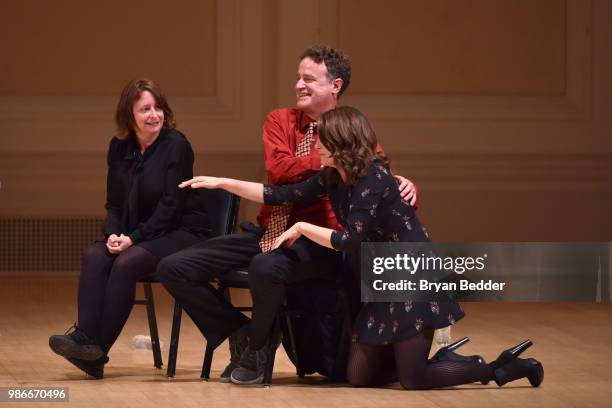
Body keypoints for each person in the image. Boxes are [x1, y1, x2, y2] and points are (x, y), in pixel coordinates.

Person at [179, 106, 545, 390]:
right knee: (359, 376)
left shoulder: (374, 178)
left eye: (322, 140)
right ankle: (430, 359)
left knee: (414, 379)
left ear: (339, 143)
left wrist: (303, 227)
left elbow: (350, 240)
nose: (316, 146)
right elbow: (281, 193)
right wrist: (222, 182)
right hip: (383, 275)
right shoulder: (333, 175)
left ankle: (497, 368)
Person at [158, 45, 418, 385]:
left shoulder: (351, 132)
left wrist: (403, 182)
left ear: (335, 86)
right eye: (298, 77)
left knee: (265, 267)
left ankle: (259, 349)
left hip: (320, 241)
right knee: (173, 267)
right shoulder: (281, 120)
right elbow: (278, 172)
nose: (299, 85)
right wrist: (335, 158)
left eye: (309, 79)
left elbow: (377, 179)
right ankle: (243, 333)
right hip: (269, 230)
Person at [48, 78, 210, 379]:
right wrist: (113, 234)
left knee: (125, 262)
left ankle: (96, 352)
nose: (154, 115)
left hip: (181, 231)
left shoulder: (177, 145)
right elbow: (114, 204)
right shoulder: (119, 147)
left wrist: (133, 239)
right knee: (95, 255)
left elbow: (171, 207)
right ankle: (85, 338)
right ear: (129, 115)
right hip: (138, 232)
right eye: (145, 109)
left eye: (158, 107)